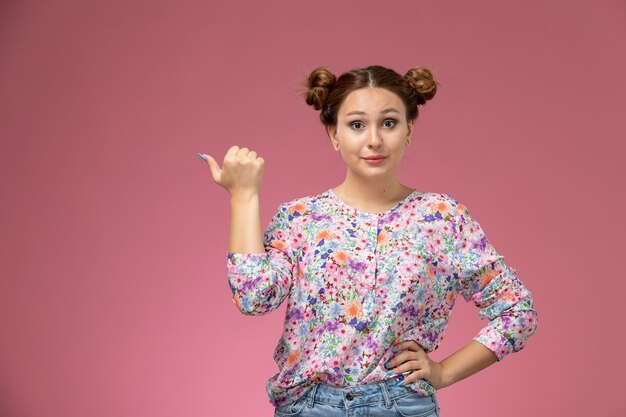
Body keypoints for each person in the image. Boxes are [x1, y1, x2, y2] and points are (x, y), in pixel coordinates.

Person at [199, 65, 538, 417]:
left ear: (409, 130)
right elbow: (255, 298)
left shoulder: (442, 218)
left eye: (389, 123)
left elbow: (517, 312)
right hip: (308, 406)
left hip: (401, 404)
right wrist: (243, 196)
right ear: (334, 134)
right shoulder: (300, 218)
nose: (374, 140)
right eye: (356, 125)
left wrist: (444, 372)